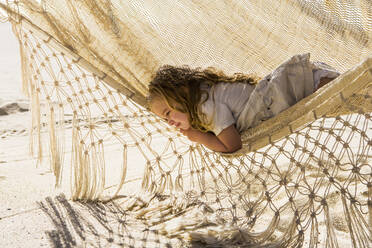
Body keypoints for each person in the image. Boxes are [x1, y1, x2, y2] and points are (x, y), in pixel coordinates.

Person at [147, 54, 339, 153]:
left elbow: (233, 145)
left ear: (182, 93)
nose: (169, 122)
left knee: (352, 88)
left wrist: (199, 137)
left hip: (297, 87)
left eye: (167, 113)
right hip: (292, 87)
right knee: (350, 89)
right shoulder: (204, 94)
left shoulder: (204, 108)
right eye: (164, 120)